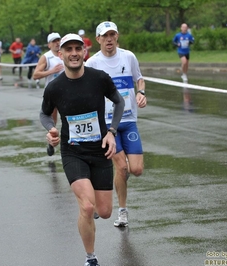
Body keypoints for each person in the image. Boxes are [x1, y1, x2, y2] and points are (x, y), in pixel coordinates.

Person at [40, 33, 125, 266]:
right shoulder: (55, 87)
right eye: (69, 50)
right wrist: (51, 129)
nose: (74, 53)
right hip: (73, 152)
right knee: (87, 206)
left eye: (78, 48)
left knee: (105, 211)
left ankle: (91, 204)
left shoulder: (99, 78)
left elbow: (119, 102)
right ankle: (91, 258)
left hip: (100, 151)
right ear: (61, 54)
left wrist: (112, 132)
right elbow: (45, 114)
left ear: (84, 52)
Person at [86, 21, 147, 227]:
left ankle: (113, 182)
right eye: (105, 36)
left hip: (129, 121)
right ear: (98, 39)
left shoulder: (128, 56)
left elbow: (140, 79)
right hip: (107, 125)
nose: (109, 39)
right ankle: (122, 211)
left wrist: (141, 93)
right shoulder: (92, 63)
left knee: (136, 170)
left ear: (117, 37)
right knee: (121, 168)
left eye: (112, 35)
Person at [33, 32, 64, 156]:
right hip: (52, 94)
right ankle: (51, 143)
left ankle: (70, 145)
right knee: (53, 122)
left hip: (67, 93)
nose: (57, 43)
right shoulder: (46, 57)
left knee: (69, 118)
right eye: (54, 41)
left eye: (58, 40)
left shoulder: (65, 54)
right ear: (49, 45)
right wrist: (52, 71)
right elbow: (36, 75)